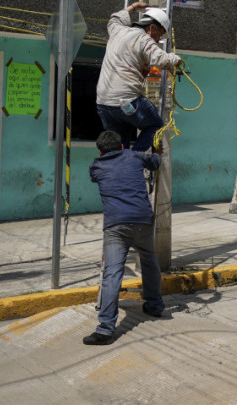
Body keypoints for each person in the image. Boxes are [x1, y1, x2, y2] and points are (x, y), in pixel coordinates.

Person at [84, 130, 165, 346]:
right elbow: (155, 162)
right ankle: (155, 305)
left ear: (100, 151)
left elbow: (96, 178)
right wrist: (158, 150)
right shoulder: (133, 156)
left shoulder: (95, 166)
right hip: (143, 220)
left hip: (116, 225)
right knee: (149, 260)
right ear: (122, 146)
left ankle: (105, 329)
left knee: (112, 273)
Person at [96, 2, 181, 153]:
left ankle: (121, 168)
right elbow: (162, 60)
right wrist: (177, 60)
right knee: (155, 125)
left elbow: (114, 18)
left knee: (117, 148)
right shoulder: (144, 39)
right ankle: (135, 160)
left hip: (103, 103)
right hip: (126, 100)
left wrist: (134, 6)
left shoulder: (117, 30)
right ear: (151, 28)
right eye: (159, 35)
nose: (157, 40)